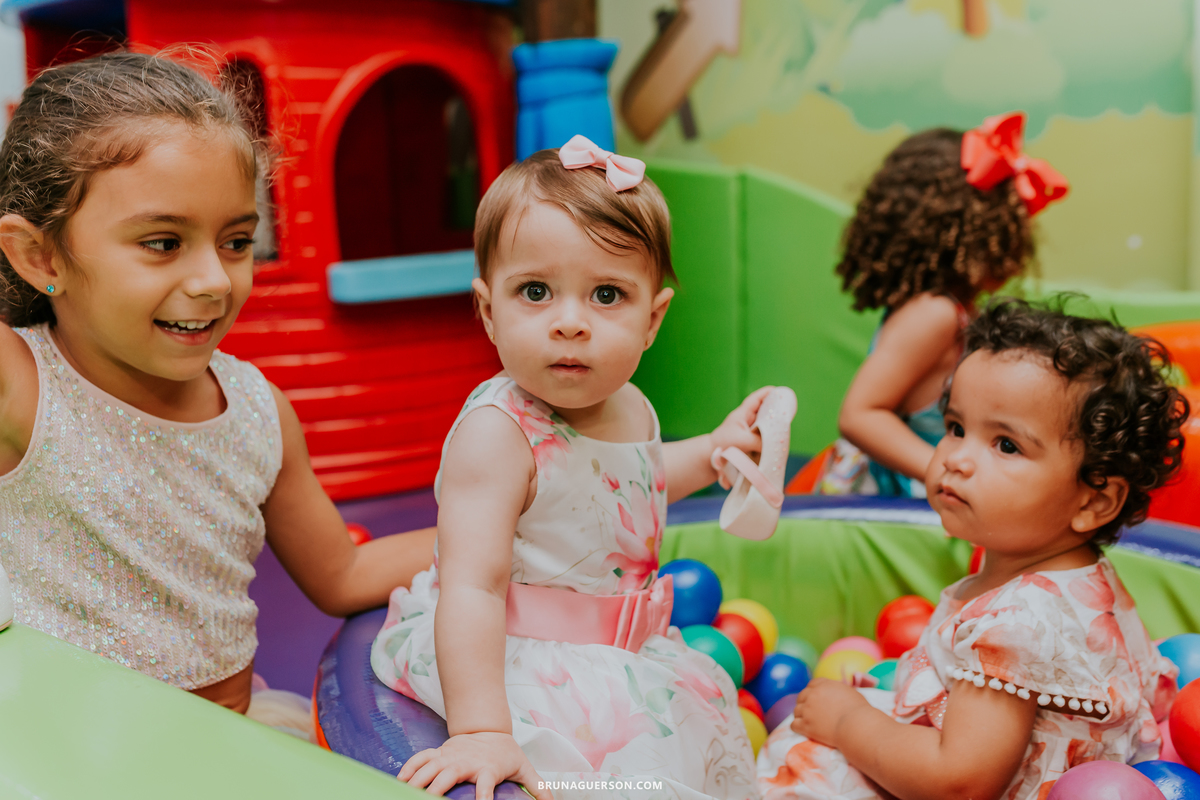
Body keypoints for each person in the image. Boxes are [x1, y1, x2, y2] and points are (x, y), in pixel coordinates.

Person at [0, 52, 435, 733]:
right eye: (163, 242)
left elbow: (344, 573)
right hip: (64, 760)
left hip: (233, 744)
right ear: (41, 256)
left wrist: (514, 526)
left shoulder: (257, 411)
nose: (213, 280)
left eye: (236, 242)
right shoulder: (20, 386)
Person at [371, 137, 768, 800]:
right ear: (488, 311)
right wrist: (482, 730)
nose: (570, 323)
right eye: (536, 291)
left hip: (630, 657)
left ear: (653, 319)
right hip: (521, 659)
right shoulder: (498, 435)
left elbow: (626, 483)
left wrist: (711, 452)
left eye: (607, 294)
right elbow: (472, 589)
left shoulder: (631, 405)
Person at [760, 300, 1184, 800]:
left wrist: (847, 722)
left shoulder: (1017, 623)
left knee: (804, 761)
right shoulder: (1077, 577)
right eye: (956, 427)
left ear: (1093, 501)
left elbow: (958, 782)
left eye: (1006, 445)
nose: (956, 458)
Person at [820, 113, 1068, 497]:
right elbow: (859, 415)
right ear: (974, 234)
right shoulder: (933, 314)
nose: (1019, 244)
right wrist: (951, 474)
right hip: (895, 505)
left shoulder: (955, 310)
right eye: (1009, 228)